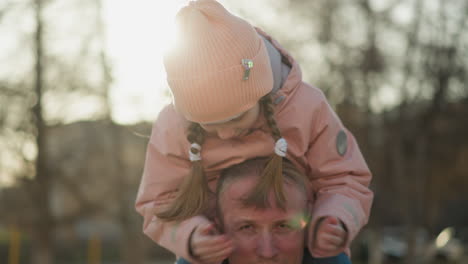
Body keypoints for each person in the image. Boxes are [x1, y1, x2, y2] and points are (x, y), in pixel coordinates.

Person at [135, 0, 373, 263]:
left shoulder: (307, 109)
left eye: (236, 117)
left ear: (260, 91)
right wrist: (190, 236)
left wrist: (334, 218)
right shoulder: (173, 127)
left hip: (301, 238)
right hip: (219, 244)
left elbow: (344, 176)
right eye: (209, 124)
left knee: (332, 258)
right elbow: (160, 201)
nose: (226, 134)